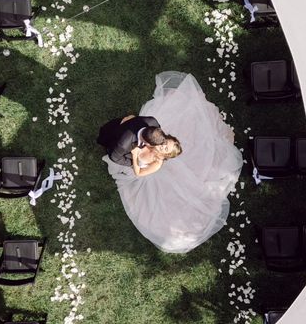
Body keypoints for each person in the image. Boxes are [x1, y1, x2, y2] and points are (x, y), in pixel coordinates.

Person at [102, 71, 243, 254]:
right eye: (165, 143)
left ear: (165, 156)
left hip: (136, 165)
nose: (162, 147)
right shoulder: (155, 132)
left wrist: (136, 156)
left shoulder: (157, 163)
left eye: (165, 149)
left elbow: (138, 173)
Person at [97, 113, 165, 167]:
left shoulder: (153, 121)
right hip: (110, 134)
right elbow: (114, 157)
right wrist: (132, 163)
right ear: (147, 143)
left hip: (126, 126)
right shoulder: (123, 145)